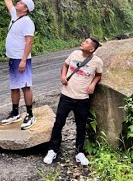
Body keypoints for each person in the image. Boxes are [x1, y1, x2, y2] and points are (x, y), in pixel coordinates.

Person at [43, 37, 103, 167]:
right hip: (66, 96)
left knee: (81, 126)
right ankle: (52, 150)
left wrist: (93, 84)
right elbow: (65, 65)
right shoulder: (74, 54)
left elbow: (98, 75)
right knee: (59, 123)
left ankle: (79, 152)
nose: (83, 42)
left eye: (86, 42)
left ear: (91, 49)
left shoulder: (97, 61)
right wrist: (63, 76)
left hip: (82, 99)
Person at [0, 0, 36, 129]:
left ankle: (30, 114)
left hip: (21, 59)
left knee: (25, 86)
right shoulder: (15, 15)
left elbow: (29, 42)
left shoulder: (28, 22)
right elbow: (7, 0)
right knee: (14, 86)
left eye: (21, 3)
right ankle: (15, 113)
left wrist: (23, 60)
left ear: (25, 9)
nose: (18, 3)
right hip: (13, 58)